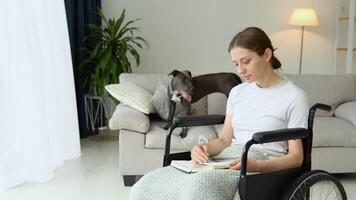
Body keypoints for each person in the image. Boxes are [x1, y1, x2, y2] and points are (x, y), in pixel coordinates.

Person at [130, 27, 309, 200]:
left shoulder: (294, 97)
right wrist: (204, 149)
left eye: (246, 61)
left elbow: (296, 158)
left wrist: (257, 166)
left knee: (199, 186)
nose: (240, 70)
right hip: (228, 158)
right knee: (146, 184)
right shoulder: (238, 93)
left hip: (260, 164)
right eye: (236, 64)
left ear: (267, 55)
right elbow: (224, 140)